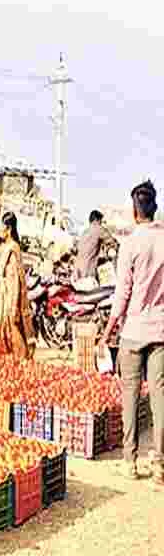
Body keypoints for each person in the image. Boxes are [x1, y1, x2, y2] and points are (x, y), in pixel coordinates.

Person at [101, 182, 164, 480]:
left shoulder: (129, 243)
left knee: (130, 394)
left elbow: (122, 294)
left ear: (134, 209)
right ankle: (159, 462)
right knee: (159, 396)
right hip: (161, 331)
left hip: (134, 330)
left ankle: (130, 460)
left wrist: (108, 330)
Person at [0, 211, 35, 359]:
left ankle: (23, 361)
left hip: (10, 297)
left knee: (13, 331)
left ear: (9, 229)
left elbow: (15, 281)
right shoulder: (8, 247)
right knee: (5, 333)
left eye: (2, 226)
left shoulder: (12, 249)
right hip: (4, 295)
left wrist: (13, 307)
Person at [75, 210, 115, 282]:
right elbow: (112, 242)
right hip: (88, 272)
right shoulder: (99, 229)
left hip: (77, 272)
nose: (101, 224)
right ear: (96, 220)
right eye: (101, 221)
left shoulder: (84, 232)